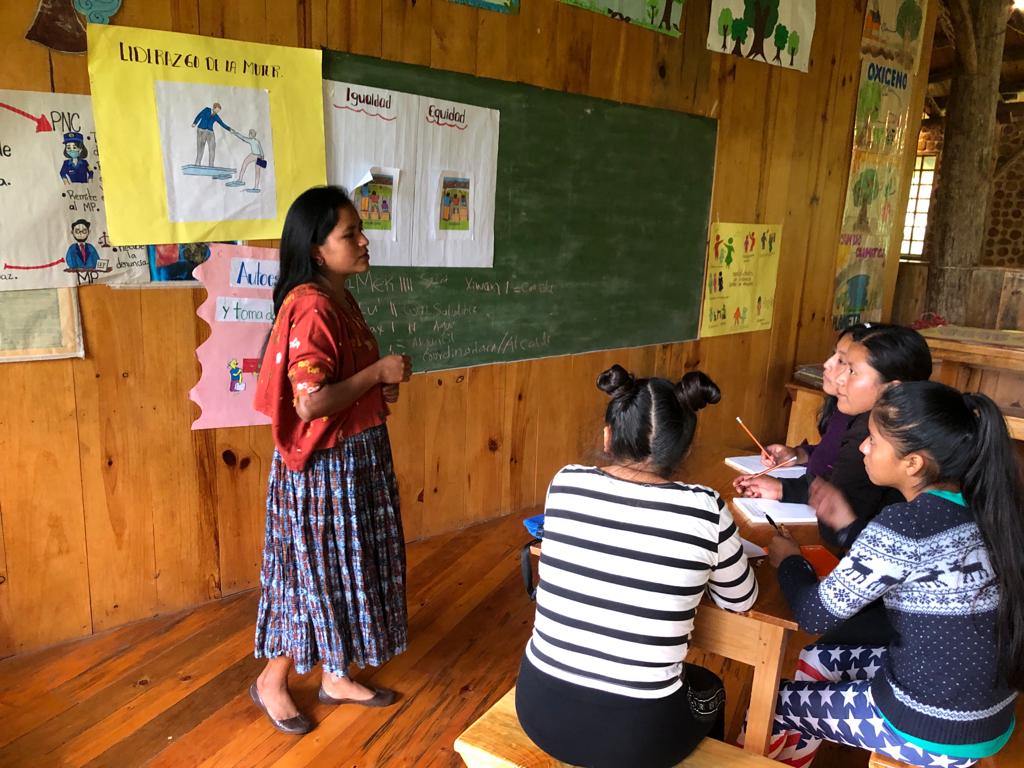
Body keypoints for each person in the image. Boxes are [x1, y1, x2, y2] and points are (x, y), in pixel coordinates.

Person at [763, 381, 1022, 767]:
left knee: (773, 699)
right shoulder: (987, 507)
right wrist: (850, 526)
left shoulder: (906, 525)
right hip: (988, 715)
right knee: (818, 658)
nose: (863, 448)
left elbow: (814, 614)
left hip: (929, 728)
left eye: (873, 440)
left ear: (913, 462)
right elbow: (913, 571)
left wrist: (789, 559)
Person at [516, 364, 758, 768]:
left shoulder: (566, 483)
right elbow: (741, 599)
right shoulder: (705, 509)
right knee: (710, 688)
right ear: (682, 447)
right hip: (637, 739)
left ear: (608, 437)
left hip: (539, 709)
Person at [249, 185, 412, 735]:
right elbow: (312, 401)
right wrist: (377, 375)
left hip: (354, 459)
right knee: (313, 577)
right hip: (327, 470)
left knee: (343, 572)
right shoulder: (314, 305)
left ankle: (335, 675)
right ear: (318, 249)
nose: (364, 241)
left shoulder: (337, 295)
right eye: (350, 234)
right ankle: (273, 681)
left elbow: (337, 383)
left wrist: (373, 388)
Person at [734, 324, 932, 550]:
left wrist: (793, 565)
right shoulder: (866, 421)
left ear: (892, 388)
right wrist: (784, 489)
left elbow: (847, 528)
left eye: (851, 370)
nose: (838, 378)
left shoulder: (879, 440)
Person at [192, 102, 231, 166]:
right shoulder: (206, 110)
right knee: (201, 147)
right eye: (217, 110)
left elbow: (222, 123)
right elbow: (199, 115)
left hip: (210, 132)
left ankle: (211, 165)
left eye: (218, 111)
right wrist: (195, 123)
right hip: (201, 130)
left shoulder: (216, 116)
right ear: (214, 108)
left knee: (212, 148)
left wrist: (229, 129)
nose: (217, 112)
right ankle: (197, 163)